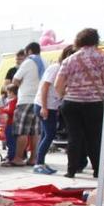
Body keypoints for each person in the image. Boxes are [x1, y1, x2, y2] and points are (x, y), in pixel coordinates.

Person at [55, 28, 104, 180]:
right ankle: (98, 170)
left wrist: (66, 95)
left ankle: (71, 170)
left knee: (74, 136)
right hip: (94, 103)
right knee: (95, 137)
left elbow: (58, 85)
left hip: (71, 103)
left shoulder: (69, 59)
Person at [34, 45, 75, 175]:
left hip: (51, 106)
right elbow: (45, 87)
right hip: (45, 105)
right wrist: (44, 107)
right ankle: (38, 163)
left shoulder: (64, 70)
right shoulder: (55, 68)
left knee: (46, 134)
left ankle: (40, 161)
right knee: (49, 134)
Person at [9, 42, 43, 166]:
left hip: (25, 100)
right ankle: (33, 158)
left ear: (29, 51)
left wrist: (21, 83)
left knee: (22, 131)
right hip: (38, 100)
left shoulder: (28, 62)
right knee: (35, 132)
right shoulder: (44, 63)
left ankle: (18, 158)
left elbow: (15, 80)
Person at [2, 83, 18, 163]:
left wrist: (2, 110)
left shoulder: (13, 101)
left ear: (12, 93)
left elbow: (11, 111)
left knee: (10, 140)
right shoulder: (13, 101)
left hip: (11, 124)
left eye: (8, 92)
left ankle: (11, 156)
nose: (7, 94)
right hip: (12, 123)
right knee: (12, 141)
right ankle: (11, 155)